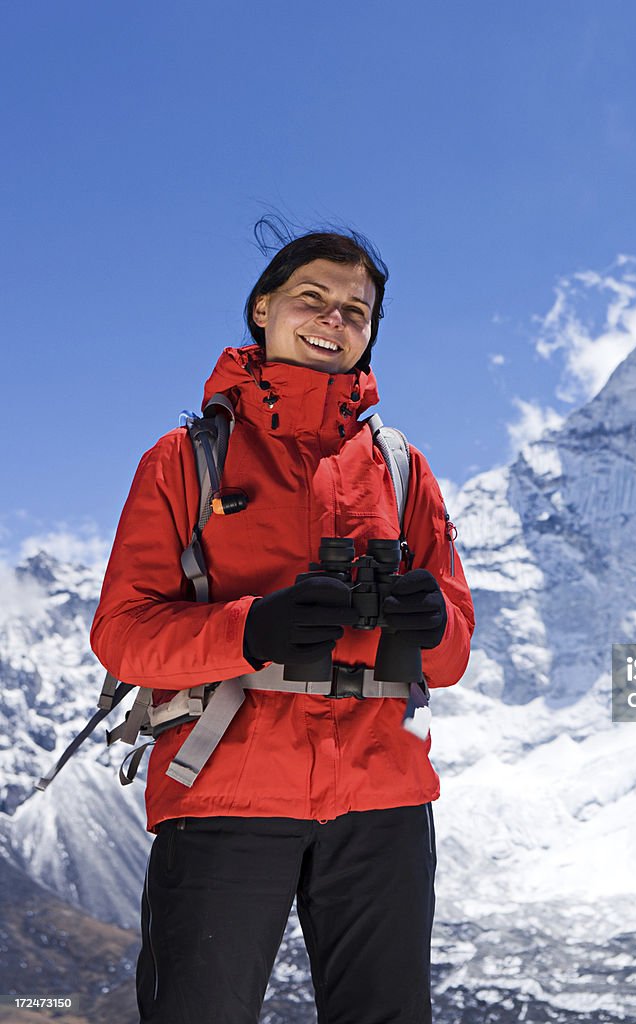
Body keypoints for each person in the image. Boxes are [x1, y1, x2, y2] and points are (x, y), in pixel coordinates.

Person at [90, 224, 475, 1024]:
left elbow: (451, 655)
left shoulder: (404, 469)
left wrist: (431, 623)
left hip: (382, 794)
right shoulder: (185, 459)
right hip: (224, 790)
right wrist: (250, 629)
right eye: (314, 298)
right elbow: (123, 633)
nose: (335, 320)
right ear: (262, 308)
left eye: (357, 311)